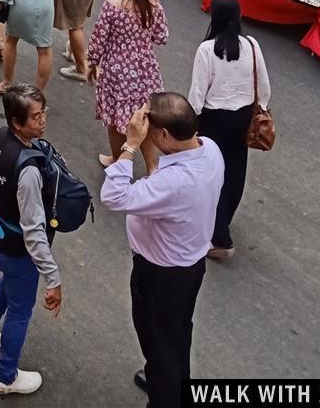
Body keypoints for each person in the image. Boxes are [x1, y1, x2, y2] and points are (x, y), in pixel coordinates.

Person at [100, 94, 224, 408]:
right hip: (188, 267)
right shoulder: (209, 149)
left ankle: (165, 393)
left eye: (151, 130)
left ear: (165, 136)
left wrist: (129, 146)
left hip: (161, 276)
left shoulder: (174, 182)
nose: (145, 134)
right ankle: (164, 377)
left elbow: (114, 196)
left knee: (159, 338)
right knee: (176, 334)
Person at [0, 84, 60, 397]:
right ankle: (5, 376)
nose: (43, 120)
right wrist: (52, 277)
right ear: (17, 123)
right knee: (20, 311)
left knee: (8, 284)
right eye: (35, 117)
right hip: (18, 249)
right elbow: (34, 231)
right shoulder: (29, 171)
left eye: (43, 112)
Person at [188, 0, 270, 260]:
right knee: (235, 172)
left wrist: (191, 122)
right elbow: (263, 86)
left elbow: (198, 94)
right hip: (243, 117)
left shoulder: (206, 50)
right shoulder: (252, 45)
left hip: (214, 120)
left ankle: (220, 237)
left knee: (212, 175)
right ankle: (223, 223)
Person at [88, 0, 168, 173]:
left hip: (117, 72)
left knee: (116, 121)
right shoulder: (154, 5)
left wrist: (92, 62)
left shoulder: (112, 6)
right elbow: (162, 37)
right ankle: (152, 167)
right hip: (147, 71)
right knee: (143, 118)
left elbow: (98, 40)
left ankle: (118, 160)